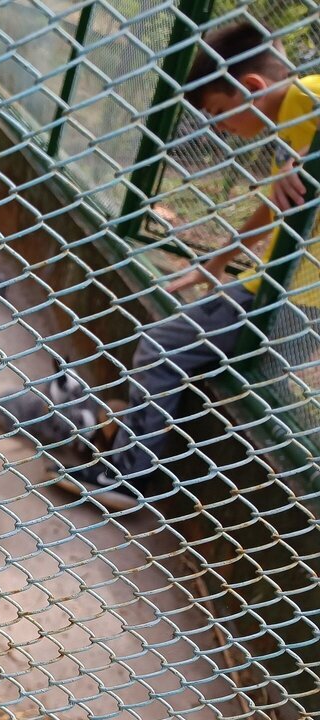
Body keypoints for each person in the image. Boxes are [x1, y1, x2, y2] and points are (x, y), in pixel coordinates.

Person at [58, 20, 320, 510]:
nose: (218, 127)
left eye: (219, 112)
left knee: (160, 347)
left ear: (251, 89)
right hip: (277, 284)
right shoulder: (290, 121)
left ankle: (129, 477)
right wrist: (213, 263)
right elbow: (272, 206)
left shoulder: (308, 97)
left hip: (295, 292)